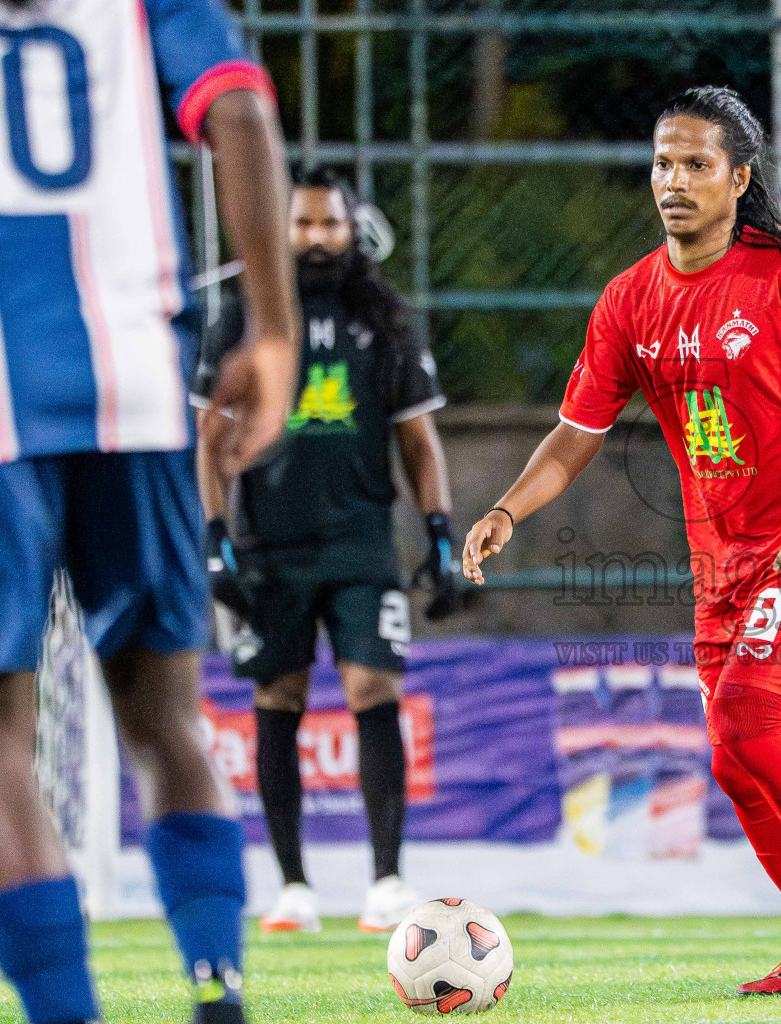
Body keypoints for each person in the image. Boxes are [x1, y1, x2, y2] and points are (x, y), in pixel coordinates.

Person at [462, 86, 781, 995]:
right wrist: (509, 508)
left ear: (739, 179)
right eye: (664, 161)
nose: (675, 179)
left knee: (747, 716)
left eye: (697, 163)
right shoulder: (630, 300)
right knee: (730, 753)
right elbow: (577, 433)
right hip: (722, 553)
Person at [0, 0, 298, 1016]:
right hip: (130, 383)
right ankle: (216, 989)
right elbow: (241, 115)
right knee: (165, 721)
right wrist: (271, 330)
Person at [192, 167, 461, 935]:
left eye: (329, 225)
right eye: (302, 224)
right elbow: (210, 443)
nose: (315, 238)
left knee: (374, 689)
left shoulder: (383, 318)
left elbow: (419, 439)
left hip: (361, 542)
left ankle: (385, 881)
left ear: (354, 230)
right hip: (268, 546)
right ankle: (294, 888)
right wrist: (215, 541)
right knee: (277, 699)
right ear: (280, 230)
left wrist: (440, 533)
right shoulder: (242, 315)